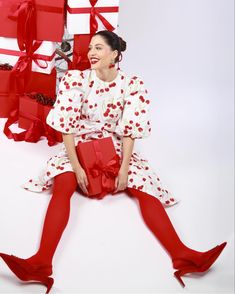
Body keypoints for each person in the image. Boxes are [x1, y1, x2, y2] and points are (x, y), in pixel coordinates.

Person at [0, 30, 227, 293]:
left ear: (115, 54)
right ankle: (41, 263)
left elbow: (130, 129)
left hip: (115, 145)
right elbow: (67, 128)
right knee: (62, 186)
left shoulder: (133, 85)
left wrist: (124, 169)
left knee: (144, 189)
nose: (91, 53)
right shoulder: (76, 80)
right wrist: (76, 167)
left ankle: (184, 256)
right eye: (90, 48)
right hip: (78, 144)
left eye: (99, 48)